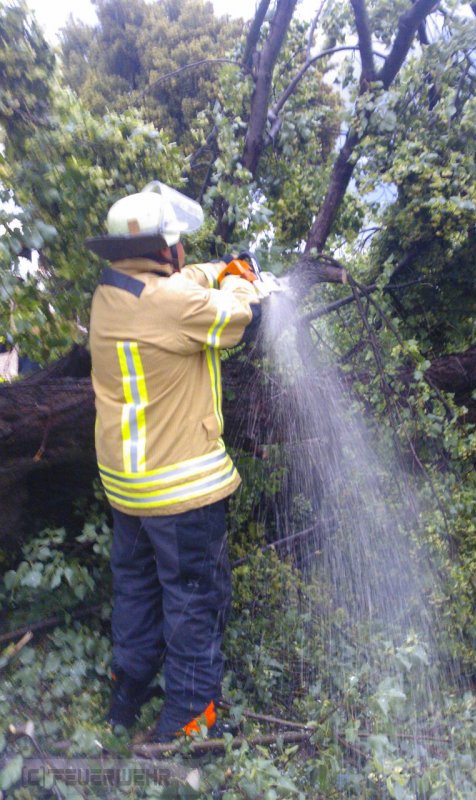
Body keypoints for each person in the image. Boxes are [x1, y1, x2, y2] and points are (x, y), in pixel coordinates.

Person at [86, 183, 264, 741]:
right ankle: (188, 722)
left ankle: (127, 693)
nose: (183, 251)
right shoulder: (173, 305)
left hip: (128, 487)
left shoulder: (110, 292)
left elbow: (180, 284)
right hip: (181, 490)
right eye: (179, 243)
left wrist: (217, 267)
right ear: (165, 248)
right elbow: (241, 317)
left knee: (137, 589)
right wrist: (241, 279)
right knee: (194, 600)